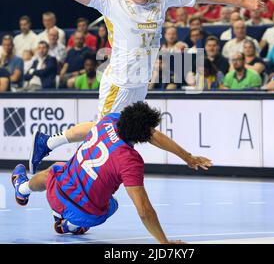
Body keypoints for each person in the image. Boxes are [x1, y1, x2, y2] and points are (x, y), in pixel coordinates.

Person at [29, 0, 264, 174]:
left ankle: (48, 144)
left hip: (140, 83)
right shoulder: (111, 0)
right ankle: (52, 149)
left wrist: (242, 2)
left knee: (126, 131)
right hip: (119, 83)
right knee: (104, 133)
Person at [12, 102, 212, 242]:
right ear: (143, 137)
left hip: (56, 195)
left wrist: (187, 156)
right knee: (112, 205)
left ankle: (22, 189)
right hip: (87, 216)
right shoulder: (131, 161)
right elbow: (144, 210)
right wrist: (165, 244)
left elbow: (76, 132)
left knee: (55, 169)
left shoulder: (109, 121)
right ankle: (68, 226)